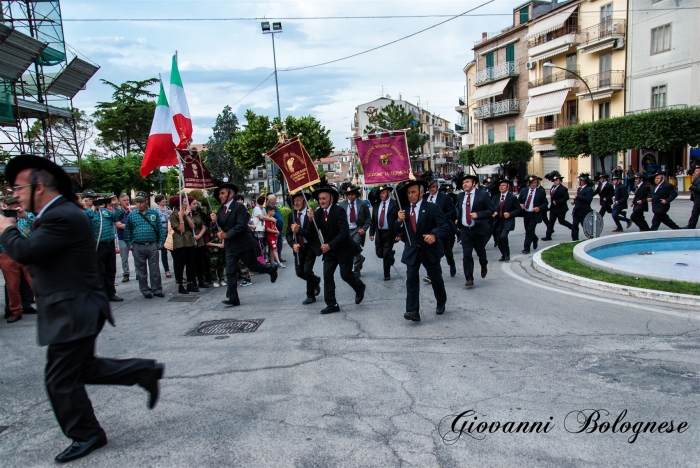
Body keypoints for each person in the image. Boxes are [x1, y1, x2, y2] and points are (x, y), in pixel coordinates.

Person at [0, 155, 164, 464]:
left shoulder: (61, 215)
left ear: (39, 187)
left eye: (18, 187)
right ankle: (144, 371)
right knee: (83, 369)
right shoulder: (56, 214)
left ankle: (88, 433)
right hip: (74, 307)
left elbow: (24, 251)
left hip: (75, 309)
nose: (14, 194)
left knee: (59, 378)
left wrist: (6, 226)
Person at [212, 182, 278, 307]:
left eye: (222, 193)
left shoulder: (239, 207)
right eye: (219, 194)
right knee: (230, 271)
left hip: (244, 244)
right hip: (231, 246)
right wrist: (214, 222)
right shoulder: (220, 210)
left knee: (254, 267)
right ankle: (233, 298)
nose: (220, 196)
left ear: (230, 194)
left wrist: (226, 235)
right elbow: (220, 226)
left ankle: (271, 269)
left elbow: (241, 226)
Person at [394, 179, 449, 322]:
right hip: (412, 250)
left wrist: (434, 235)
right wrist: (399, 221)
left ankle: (441, 301)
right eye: (408, 193)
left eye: (413, 192)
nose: (411, 195)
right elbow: (396, 230)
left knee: (435, 277)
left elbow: (444, 226)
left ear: (421, 192)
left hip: (429, 249)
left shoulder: (432, 207)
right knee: (411, 280)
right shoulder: (403, 209)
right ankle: (412, 310)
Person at [306, 181, 365, 314]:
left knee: (345, 275)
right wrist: (310, 221)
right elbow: (312, 233)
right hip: (330, 252)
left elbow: (344, 233)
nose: (321, 201)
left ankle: (360, 287)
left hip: (344, 248)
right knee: (327, 275)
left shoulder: (339, 211)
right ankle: (332, 304)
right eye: (320, 199)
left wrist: (330, 245)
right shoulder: (318, 213)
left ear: (330, 198)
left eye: (324, 198)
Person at [124, 192, 167, 298]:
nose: (139, 205)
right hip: (138, 246)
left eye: (141, 202)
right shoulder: (132, 215)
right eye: (137, 202)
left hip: (152, 244)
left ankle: (157, 289)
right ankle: (145, 290)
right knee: (141, 270)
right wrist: (129, 244)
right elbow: (127, 231)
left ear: (146, 202)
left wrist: (161, 242)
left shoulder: (153, 214)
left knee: (155, 269)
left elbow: (160, 229)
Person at [83, 193, 124, 302]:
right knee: (99, 270)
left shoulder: (105, 212)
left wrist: (116, 205)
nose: (98, 201)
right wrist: (94, 207)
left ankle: (111, 293)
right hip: (98, 245)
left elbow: (118, 216)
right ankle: (101, 294)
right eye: (95, 200)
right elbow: (85, 219)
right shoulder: (87, 212)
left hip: (109, 244)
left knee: (111, 269)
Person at [454, 172, 493, 287]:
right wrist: (458, 219)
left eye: (467, 182)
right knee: (467, 254)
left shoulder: (483, 195)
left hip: (479, 229)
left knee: (481, 252)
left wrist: (478, 214)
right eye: (463, 183)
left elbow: (490, 211)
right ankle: (469, 278)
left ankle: (484, 264)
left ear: (474, 183)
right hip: (465, 230)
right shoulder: (460, 196)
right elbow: (458, 209)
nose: (465, 184)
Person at [0, 195, 34, 323]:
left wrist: (24, 215)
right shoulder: (3, 220)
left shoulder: (27, 216)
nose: (14, 207)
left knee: (36, 283)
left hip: (26, 253)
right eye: (11, 205)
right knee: (12, 286)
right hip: (7, 254)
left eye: (16, 204)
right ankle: (15, 311)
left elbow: (38, 225)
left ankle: (46, 309)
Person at [286, 191, 322, 304]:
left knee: (307, 270)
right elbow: (288, 234)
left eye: (298, 200)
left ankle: (310, 296)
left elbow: (313, 234)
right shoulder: (291, 216)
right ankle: (315, 280)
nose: (296, 203)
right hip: (299, 247)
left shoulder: (311, 214)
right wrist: (293, 244)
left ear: (304, 201)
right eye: (294, 201)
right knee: (300, 272)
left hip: (310, 246)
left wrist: (300, 230)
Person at [422, 173, 458, 277]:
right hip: (430, 230)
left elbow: (452, 212)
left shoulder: (444, 197)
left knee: (446, 250)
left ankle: (452, 264)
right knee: (432, 251)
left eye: (433, 187)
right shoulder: (425, 198)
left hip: (443, 228)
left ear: (437, 187)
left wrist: (441, 217)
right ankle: (432, 273)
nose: (431, 189)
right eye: (430, 187)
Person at [369, 184, 399, 281]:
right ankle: (391, 256)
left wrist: (399, 233)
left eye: (383, 193)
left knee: (386, 253)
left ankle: (387, 274)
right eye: (380, 193)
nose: (381, 195)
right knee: (379, 253)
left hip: (390, 233)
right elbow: (373, 220)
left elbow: (399, 220)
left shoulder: (395, 204)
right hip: (379, 232)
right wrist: (371, 233)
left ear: (388, 192)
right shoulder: (377, 205)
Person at [169, 195, 198, 294]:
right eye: (184, 202)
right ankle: (180, 285)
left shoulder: (187, 213)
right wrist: (181, 216)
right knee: (180, 264)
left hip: (189, 241)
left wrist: (186, 216)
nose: (186, 203)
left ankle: (190, 283)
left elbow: (193, 226)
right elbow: (181, 230)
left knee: (190, 263)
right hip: (180, 243)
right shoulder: (174, 215)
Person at [338, 185, 370, 277]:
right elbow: (339, 219)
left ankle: (356, 271)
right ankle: (361, 258)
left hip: (357, 230)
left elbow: (368, 218)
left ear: (356, 194)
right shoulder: (341, 205)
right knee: (349, 250)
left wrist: (364, 229)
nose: (351, 196)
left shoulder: (362, 204)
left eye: (352, 194)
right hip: (346, 231)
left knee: (354, 248)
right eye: (349, 194)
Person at [518, 175, 548, 254]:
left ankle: (526, 247)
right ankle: (534, 239)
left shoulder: (540, 191)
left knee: (530, 230)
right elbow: (518, 201)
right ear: (529, 183)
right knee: (527, 230)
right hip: (526, 213)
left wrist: (539, 207)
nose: (534, 184)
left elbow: (545, 203)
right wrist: (520, 204)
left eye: (535, 183)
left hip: (534, 214)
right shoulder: (524, 190)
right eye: (532, 183)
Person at [493, 179, 521, 262]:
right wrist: (493, 212)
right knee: (498, 239)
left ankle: (507, 254)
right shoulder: (495, 197)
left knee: (503, 237)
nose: (501, 187)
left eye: (503, 185)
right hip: (498, 221)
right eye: (500, 186)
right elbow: (490, 207)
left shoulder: (512, 197)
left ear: (507, 187)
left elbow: (518, 209)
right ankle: (503, 254)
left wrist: (510, 214)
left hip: (507, 221)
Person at [542, 172, 572, 241]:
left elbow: (566, 197)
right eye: (554, 180)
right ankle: (548, 236)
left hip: (561, 209)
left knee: (561, 221)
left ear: (560, 181)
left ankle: (572, 227)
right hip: (553, 208)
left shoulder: (563, 188)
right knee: (551, 222)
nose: (555, 182)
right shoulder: (553, 187)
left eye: (557, 180)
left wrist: (558, 202)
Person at [190, 199, 211, 288]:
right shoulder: (185, 215)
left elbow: (203, 226)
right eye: (194, 204)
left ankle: (201, 280)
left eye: (196, 204)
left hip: (200, 239)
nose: (196, 205)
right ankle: (193, 281)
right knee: (192, 262)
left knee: (200, 261)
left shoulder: (198, 215)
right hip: (190, 240)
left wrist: (199, 235)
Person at [571, 174, 595, 241]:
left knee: (586, 226)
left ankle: (592, 237)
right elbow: (578, 198)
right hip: (577, 210)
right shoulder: (579, 188)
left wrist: (578, 197)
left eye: (579, 180)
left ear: (583, 181)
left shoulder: (589, 189)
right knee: (574, 226)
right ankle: (574, 239)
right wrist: (574, 201)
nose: (578, 182)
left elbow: (588, 199)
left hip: (584, 211)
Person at [153, 194, 172, 278]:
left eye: (165, 198)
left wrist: (172, 213)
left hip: (170, 233)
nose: (165, 200)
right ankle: (167, 270)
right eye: (163, 199)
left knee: (173, 251)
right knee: (164, 253)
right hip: (162, 233)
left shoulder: (168, 208)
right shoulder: (156, 210)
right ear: (158, 201)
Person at [114, 194, 132, 282]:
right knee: (124, 257)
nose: (127, 202)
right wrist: (129, 226)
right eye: (124, 200)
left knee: (137, 256)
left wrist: (130, 211)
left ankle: (138, 273)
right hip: (122, 238)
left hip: (132, 237)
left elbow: (135, 223)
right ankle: (126, 274)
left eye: (127, 200)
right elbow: (119, 225)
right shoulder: (117, 213)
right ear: (120, 202)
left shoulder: (132, 212)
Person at [267, 194, 287, 263]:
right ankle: (275, 259)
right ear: (271, 200)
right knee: (274, 245)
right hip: (273, 230)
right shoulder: (268, 208)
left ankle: (278, 256)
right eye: (275, 198)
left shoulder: (275, 207)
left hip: (279, 229)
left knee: (279, 243)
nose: (276, 200)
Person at [206, 223, 226, 287]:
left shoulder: (219, 228)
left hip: (220, 250)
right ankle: (214, 280)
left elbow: (223, 236)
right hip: (212, 251)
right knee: (213, 266)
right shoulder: (208, 230)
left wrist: (222, 243)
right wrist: (218, 245)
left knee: (221, 265)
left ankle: (221, 279)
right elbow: (207, 243)